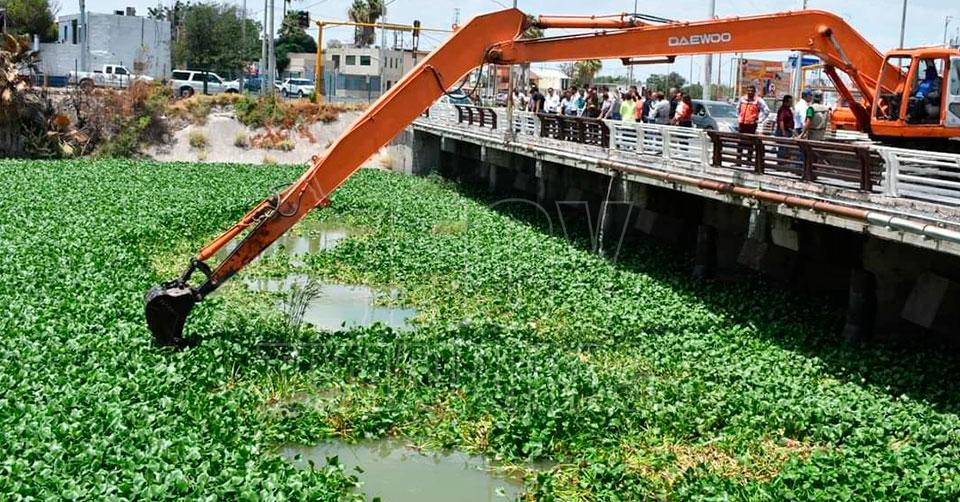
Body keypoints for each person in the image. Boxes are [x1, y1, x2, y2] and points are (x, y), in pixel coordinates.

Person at [775, 95, 795, 159]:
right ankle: (780, 164)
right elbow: (781, 121)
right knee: (782, 148)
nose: (791, 103)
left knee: (785, 149)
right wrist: (783, 133)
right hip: (783, 132)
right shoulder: (783, 110)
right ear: (786, 102)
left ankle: (782, 163)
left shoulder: (788, 109)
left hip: (788, 131)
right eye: (790, 102)